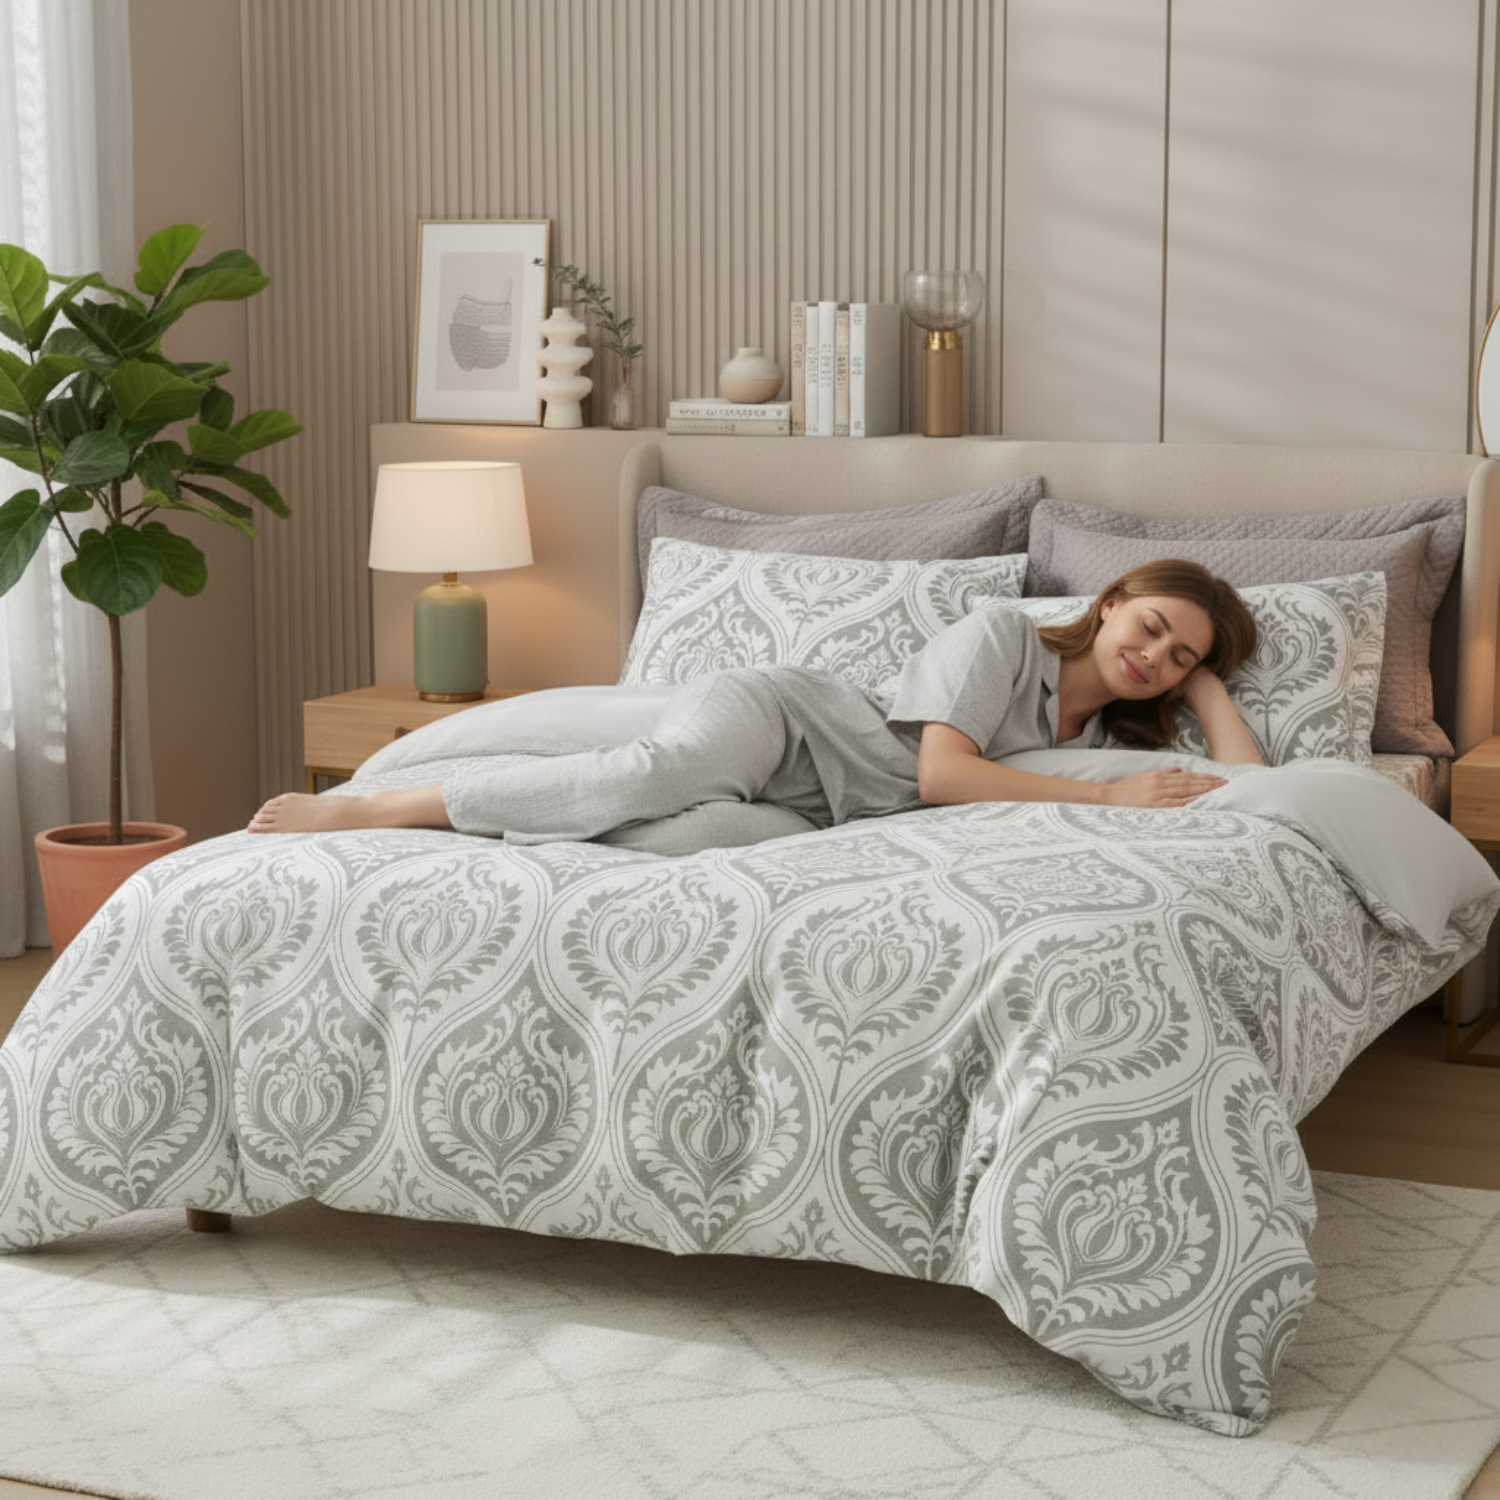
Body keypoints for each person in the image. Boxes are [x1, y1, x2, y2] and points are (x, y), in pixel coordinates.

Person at [248, 559, 1263, 843]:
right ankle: (378, 809)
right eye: (1153, 629)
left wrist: (1214, 688)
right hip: (789, 720)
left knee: (677, 846)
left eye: (1179, 658)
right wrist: (1106, 804)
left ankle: (473, 821)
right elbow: (944, 773)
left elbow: (1248, 789)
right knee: (658, 774)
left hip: (830, 812)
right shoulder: (999, 634)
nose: (1158, 657)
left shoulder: (1102, 732)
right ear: (1108, 604)